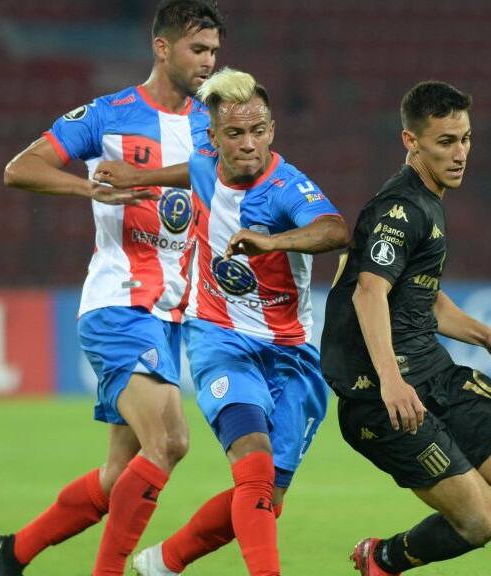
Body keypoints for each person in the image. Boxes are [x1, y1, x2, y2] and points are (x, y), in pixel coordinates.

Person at [0, 2, 224, 575]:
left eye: (214, 51)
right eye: (198, 50)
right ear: (162, 48)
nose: (209, 62)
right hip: (119, 302)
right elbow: (21, 168)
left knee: (122, 474)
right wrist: (87, 190)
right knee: (171, 441)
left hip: (169, 313)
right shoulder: (108, 114)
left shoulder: (207, 126)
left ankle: (14, 553)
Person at [92, 67, 349, 576]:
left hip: (292, 353)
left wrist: (274, 241)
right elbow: (194, 165)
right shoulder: (206, 157)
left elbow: (334, 230)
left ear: (272, 130)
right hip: (220, 339)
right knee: (252, 463)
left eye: (258, 130)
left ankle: (163, 562)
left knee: (264, 500)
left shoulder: (284, 188)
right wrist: (140, 177)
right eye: (235, 133)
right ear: (214, 138)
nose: (249, 143)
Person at [320, 81, 491, 576]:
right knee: (482, 522)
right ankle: (382, 558)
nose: (461, 154)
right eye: (446, 142)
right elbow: (368, 292)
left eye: (466, 139)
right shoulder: (401, 209)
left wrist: (485, 335)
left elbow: (423, 300)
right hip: (380, 395)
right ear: (410, 142)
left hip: (434, 374)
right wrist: (392, 381)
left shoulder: (431, 200)